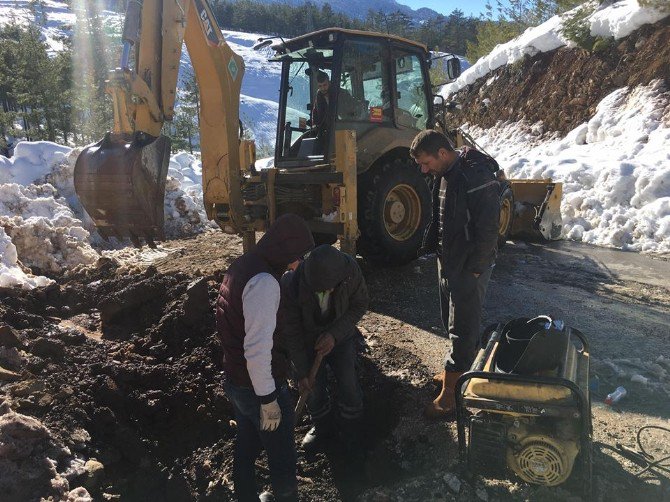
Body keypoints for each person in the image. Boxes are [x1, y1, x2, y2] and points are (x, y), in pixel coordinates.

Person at [216, 214, 315, 502]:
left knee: (246, 445)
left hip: (236, 381)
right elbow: (257, 350)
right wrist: (268, 400)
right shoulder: (264, 284)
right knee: (282, 456)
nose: (297, 264)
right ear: (283, 250)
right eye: (296, 257)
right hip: (258, 387)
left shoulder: (244, 265)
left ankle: (245, 496)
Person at [410, 130, 500, 419]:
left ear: (443, 154)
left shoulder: (476, 176)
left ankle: (450, 398)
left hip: (467, 265)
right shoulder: (446, 173)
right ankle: (459, 372)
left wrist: (476, 268)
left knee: (463, 326)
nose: (424, 170)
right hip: (448, 260)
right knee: (449, 319)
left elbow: (489, 228)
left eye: (426, 163)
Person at [279, 244, 369, 454]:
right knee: (314, 388)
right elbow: (291, 332)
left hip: (341, 337)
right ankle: (322, 426)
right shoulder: (291, 285)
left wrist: (334, 335)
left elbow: (360, 303)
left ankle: (352, 427)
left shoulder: (350, 272)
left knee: (348, 381)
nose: (326, 292)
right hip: (308, 342)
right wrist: (302, 372)